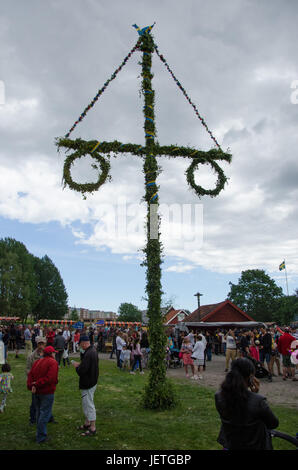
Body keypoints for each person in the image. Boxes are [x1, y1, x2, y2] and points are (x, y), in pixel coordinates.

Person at [215, 357, 279, 450]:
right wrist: (255, 395)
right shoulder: (258, 401)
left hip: (231, 443)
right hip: (253, 445)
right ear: (250, 377)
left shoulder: (219, 396)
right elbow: (273, 423)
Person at [27, 346, 59, 444]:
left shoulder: (37, 362)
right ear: (51, 353)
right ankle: (41, 437)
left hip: (37, 391)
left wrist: (31, 385)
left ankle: (39, 434)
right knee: (44, 414)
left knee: (39, 413)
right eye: (54, 353)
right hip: (46, 392)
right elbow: (50, 378)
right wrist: (35, 384)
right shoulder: (53, 362)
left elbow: (30, 375)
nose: (55, 354)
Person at [72, 335, 99, 436]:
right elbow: (86, 366)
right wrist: (81, 364)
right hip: (91, 381)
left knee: (89, 404)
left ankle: (92, 427)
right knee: (86, 403)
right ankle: (87, 423)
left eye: (80, 344)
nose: (79, 346)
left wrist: (76, 367)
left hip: (88, 383)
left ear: (84, 343)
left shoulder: (89, 353)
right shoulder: (91, 351)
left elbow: (82, 371)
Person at [26, 336, 47, 425]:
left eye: (42, 344)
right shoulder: (31, 356)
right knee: (34, 402)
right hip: (35, 382)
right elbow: (28, 369)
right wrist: (32, 382)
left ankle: (48, 417)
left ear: (45, 344)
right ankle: (33, 419)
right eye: (39, 344)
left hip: (45, 382)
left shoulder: (47, 355)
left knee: (46, 401)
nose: (41, 346)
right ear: (37, 344)